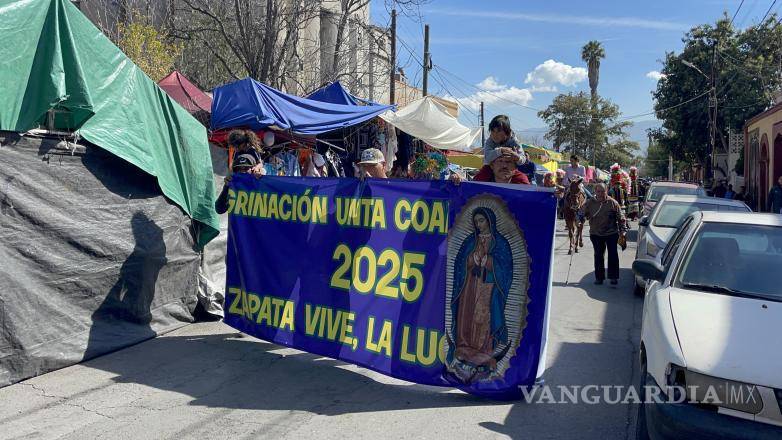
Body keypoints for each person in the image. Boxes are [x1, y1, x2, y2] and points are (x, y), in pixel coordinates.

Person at [583, 183, 627, 285]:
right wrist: (580, 218)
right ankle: (599, 278)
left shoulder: (612, 202)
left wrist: (623, 230)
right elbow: (582, 212)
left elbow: (621, 217)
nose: (600, 194)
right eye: (598, 191)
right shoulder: (590, 203)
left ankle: (613, 277)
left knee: (613, 255)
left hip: (611, 233)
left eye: (603, 191)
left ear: (606, 191)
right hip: (596, 233)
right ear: (595, 191)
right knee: (598, 255)